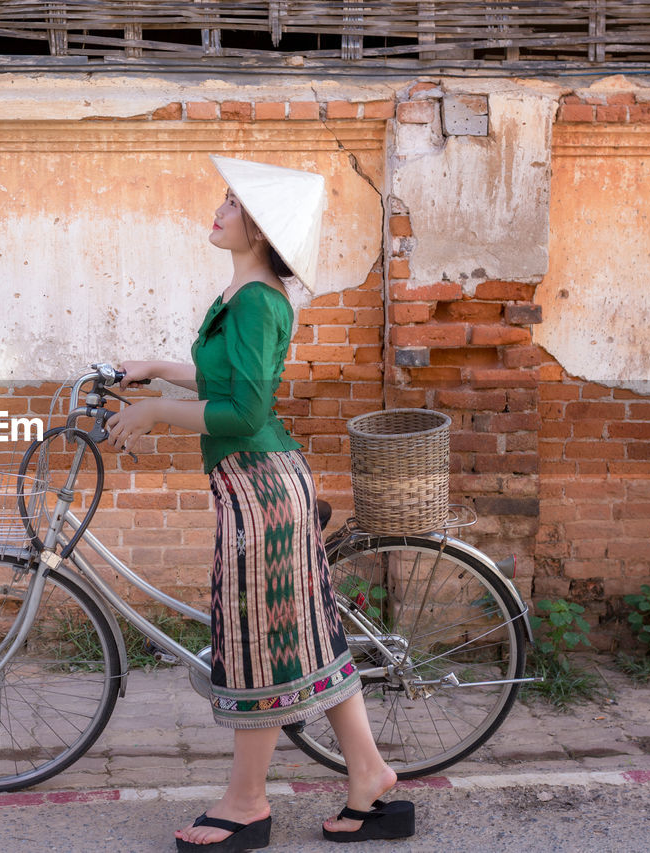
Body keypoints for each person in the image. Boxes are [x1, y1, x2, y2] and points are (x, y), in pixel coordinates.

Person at [105, 158, 416, 850]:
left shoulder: (254, 300)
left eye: (232, 204)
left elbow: (243, 410)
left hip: (259, 486)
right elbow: (227, 377)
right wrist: (156, 367)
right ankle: (367, 772)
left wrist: (156, 408)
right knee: (303, 633)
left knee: (256, 642)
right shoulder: (251, 293)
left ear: (259, 227)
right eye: (222, 197)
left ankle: (247, 800)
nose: (218, 210)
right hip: (262, 482)